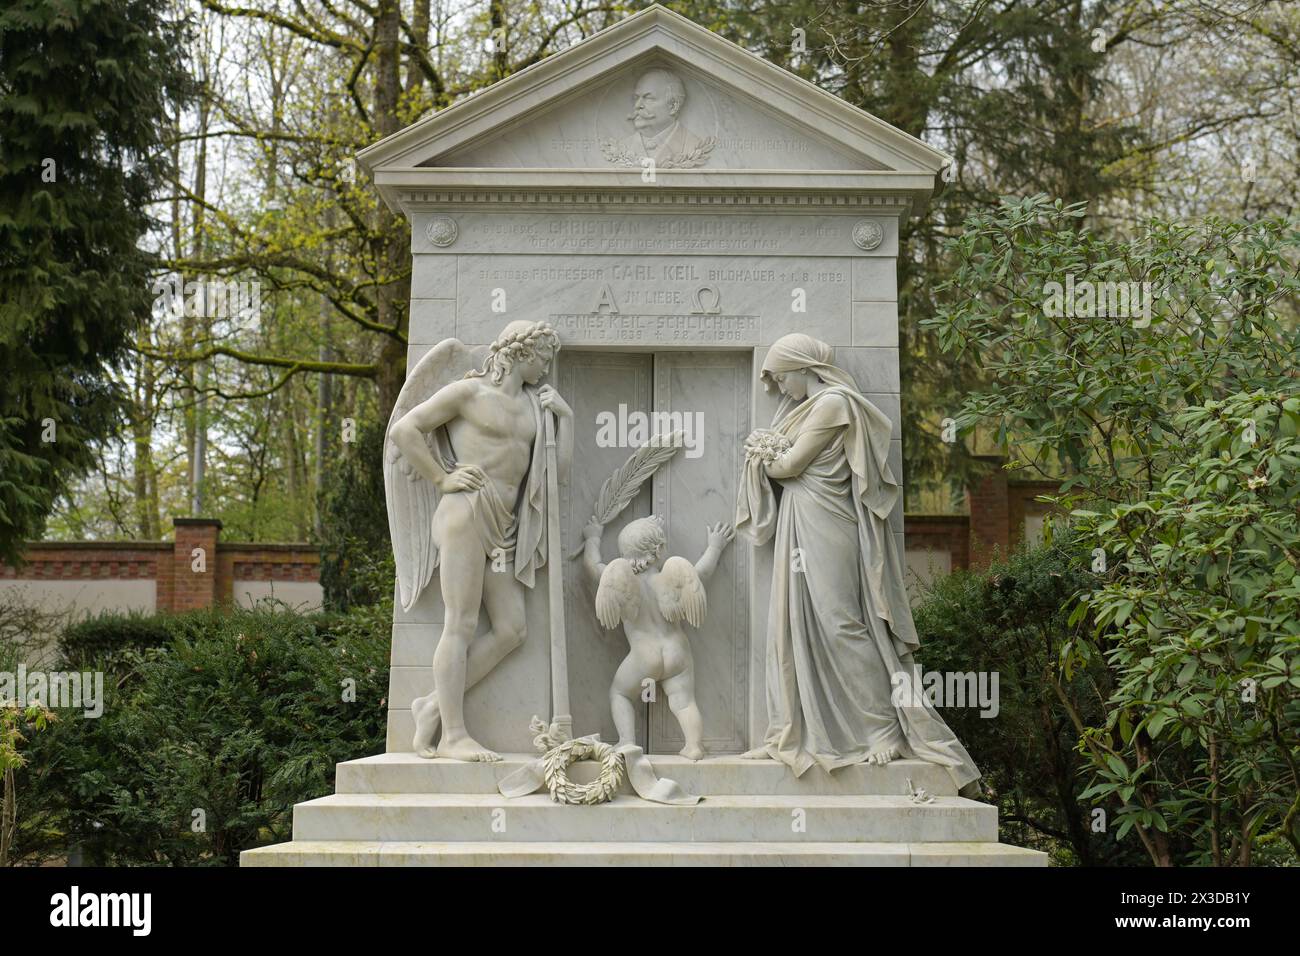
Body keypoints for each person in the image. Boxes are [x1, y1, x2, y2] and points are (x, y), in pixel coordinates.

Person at [735, 333, 981, 795]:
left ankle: (883, 729)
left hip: (829, 524)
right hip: (802, 521)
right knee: (793, 627)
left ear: (805, 367)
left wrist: (759, 456)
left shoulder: (832, 404)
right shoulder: (805, 407)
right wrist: (765, 450)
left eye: (783, 376)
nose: (781, 387)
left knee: (842, 624)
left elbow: (789, 466)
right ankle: (791, 729)